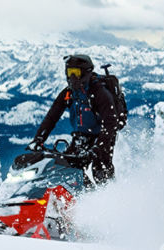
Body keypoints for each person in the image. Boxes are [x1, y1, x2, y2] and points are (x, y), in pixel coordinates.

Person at [30, 53, 118, 182]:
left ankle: (111, 197)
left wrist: (99, 146)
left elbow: (111, 122)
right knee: (68, 168)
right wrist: (39, 139)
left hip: (102, 136)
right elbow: (52, 116)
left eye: (75, 72)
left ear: (86, 73)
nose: (72, 77)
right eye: (69, 72)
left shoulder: (100, 93)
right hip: (81, 136)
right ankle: (84, 196)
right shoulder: (69, 93)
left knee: (101, 171)